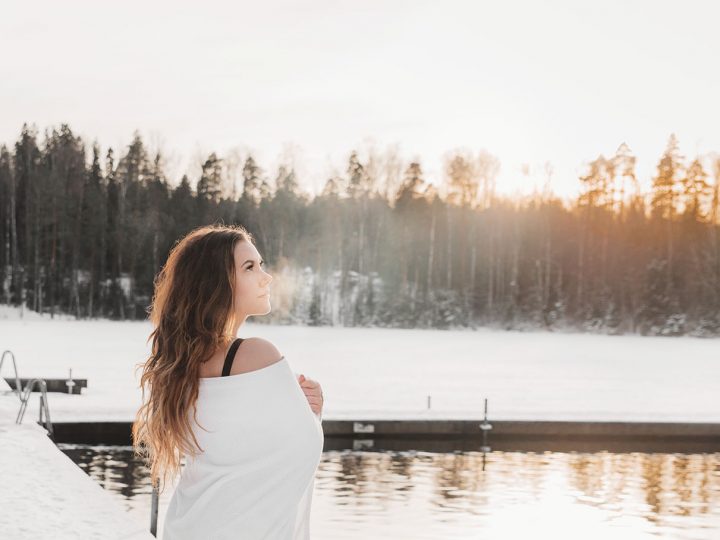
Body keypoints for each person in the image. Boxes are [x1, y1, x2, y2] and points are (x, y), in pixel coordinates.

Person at [132, 224, 324, 539]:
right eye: (249, 267)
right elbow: (302, 448)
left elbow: (236, 447)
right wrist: (313, 412)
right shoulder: (256, 355)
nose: (266, 276)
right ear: (216, 283)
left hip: (187, 527)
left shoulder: (182, 366)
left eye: (261, 264)